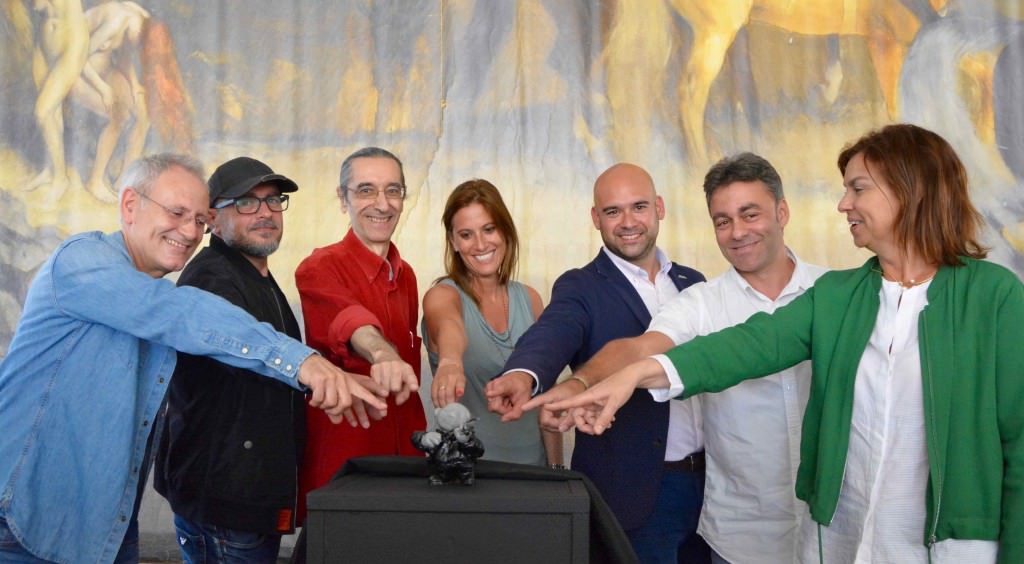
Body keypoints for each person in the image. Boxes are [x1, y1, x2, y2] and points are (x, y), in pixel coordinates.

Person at [550, 124, 1024, 563]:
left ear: (910, 190)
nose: (843, 204)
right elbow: (742, 347)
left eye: (858, 188)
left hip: (955, 548)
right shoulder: (839, 296)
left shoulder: (994, 295)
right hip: (844, 540)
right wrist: (629, 375)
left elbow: (1018, 444)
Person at [0, 153, 386, 564]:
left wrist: (324, 377)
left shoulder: (172, 288)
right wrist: (307, 364)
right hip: (25, 522)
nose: (189, 231)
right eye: (177, 212)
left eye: (198, 219)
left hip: (105, 524)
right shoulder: (81, 262)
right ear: (130, 205)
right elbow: (181, 312)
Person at [527, 153, 827, 563]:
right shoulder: (700, 301)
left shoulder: (833, 293)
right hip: (739, 535)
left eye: (750, 214)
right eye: (723, 221)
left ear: (782, 211)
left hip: (828, 527)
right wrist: (583, 382)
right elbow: (639, 347)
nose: (738, 232)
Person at [485, 163, 710, 563]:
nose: (628, 222)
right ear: (595, 218)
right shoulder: (580, 285)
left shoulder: (695, 283)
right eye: (612, 211)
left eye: (638, 207)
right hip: (632, 492)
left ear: (659, 207)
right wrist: (523, 373)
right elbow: (553, 331)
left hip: (710, 486)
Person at [153, 157, 305, 562]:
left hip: (246, 502)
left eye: (273, 201)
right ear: (212, 220)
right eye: (245, 203)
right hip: (224, 505)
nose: (265, 213)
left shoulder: (255, 275)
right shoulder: (213, 279)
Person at [295, 146, 427, 520]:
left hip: (405, 462)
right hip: (348, 465)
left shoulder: (407, 275)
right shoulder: (319, 266)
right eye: (366, 190)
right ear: (343, 198)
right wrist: (383, 354)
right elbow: (349, 320)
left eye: (393, 190)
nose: (382, 204)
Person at [421, 179, 560, 466]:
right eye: (467, 234)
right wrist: (450, 362)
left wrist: (558, 471)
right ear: (453, 242)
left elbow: (548, 398)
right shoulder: (442, 296)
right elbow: (449, 327)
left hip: (533, 473)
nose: (481, 244)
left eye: (489, 229)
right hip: (467, 478)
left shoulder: (530, 299)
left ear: (505, 232)